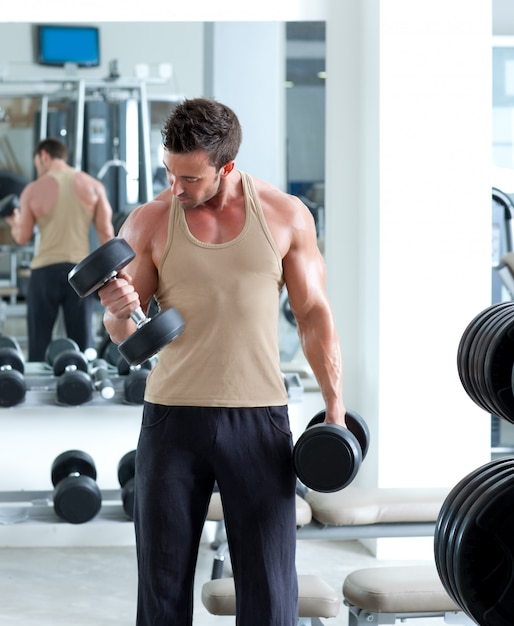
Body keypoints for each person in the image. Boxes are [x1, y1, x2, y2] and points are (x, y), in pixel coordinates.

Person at [98, 97, 347, 625]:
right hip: (171, 417)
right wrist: (118, 311)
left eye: (189, 178)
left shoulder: (284, 216)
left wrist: (335, 408)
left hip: (258, 418)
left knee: (270, 588)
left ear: (226, 167)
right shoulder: (147, 221)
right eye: (169, 171)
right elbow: (125, 332)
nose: (175, 187)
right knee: (161, 586)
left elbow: (313, 316)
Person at [6, 138, 114, 361]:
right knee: (84, 344)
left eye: (37, 163)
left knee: (39, 343)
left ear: (44, 156)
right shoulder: (93, 186)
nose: (38, 169)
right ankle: (84, 387)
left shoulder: (33, 190)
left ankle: (36, 391)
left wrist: (13, 221)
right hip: (81, 273)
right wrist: (110, 279)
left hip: (44, 271)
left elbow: (22, 237)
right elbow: (107, 236)